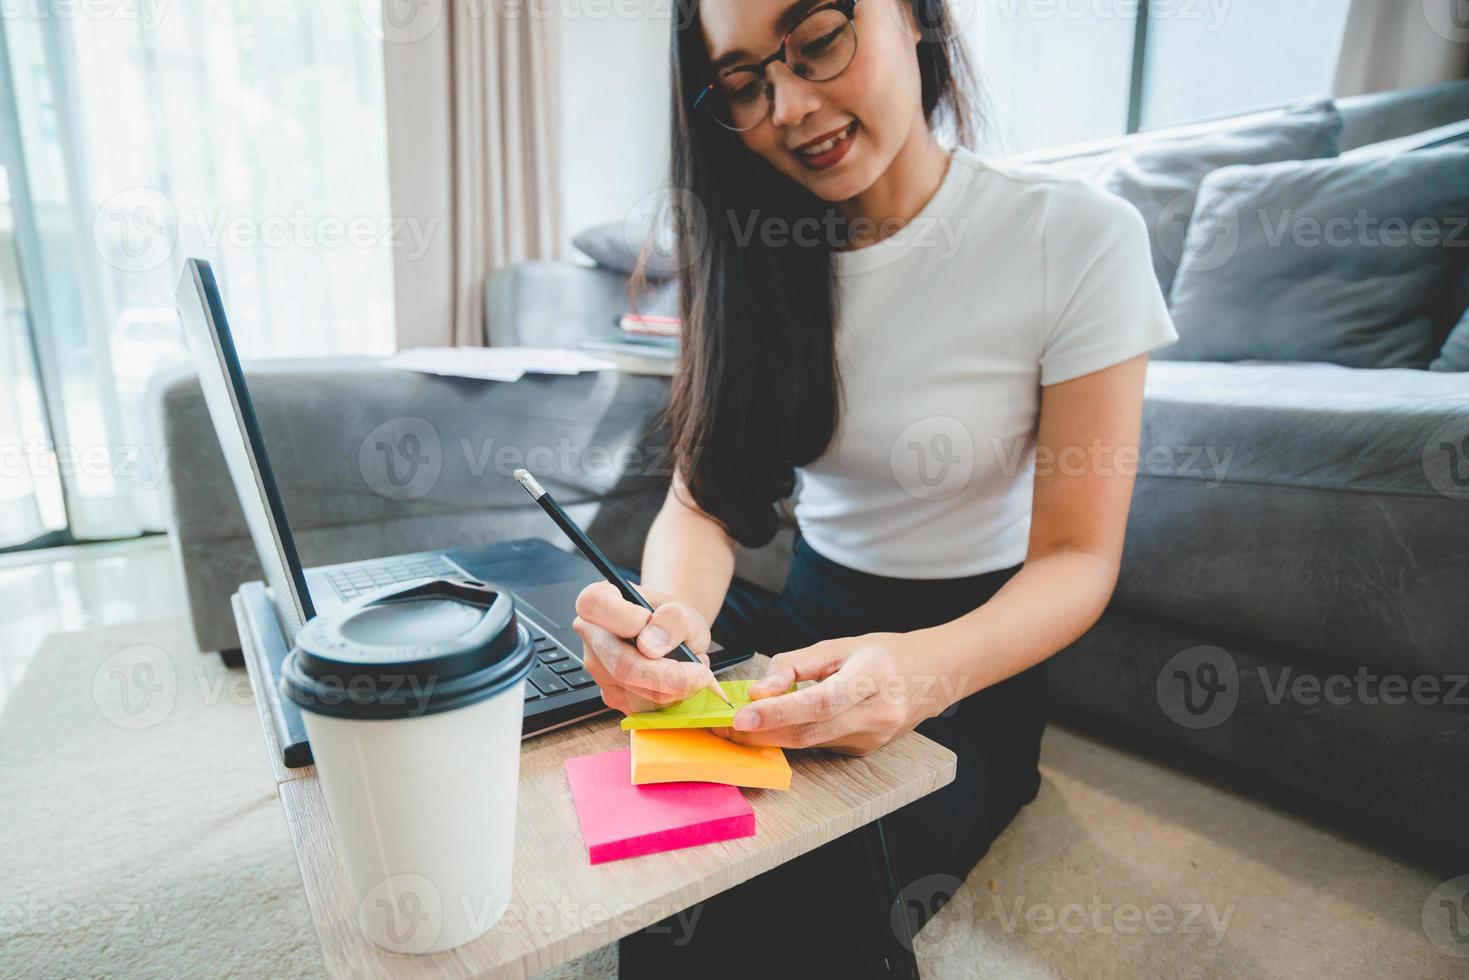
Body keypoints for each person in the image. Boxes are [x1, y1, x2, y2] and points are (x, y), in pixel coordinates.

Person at [570, 0, 1178, 973]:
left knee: (812, 889)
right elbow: (701, 500)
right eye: (742, 84)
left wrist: (920, 673)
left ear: (915, 17)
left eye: (816, 40)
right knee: (677, 850)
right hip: (800, 617)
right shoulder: (750, 248)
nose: (789, 105)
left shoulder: (1075, 239)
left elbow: (1077, 556)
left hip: (967, 656)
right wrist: (669, 621)